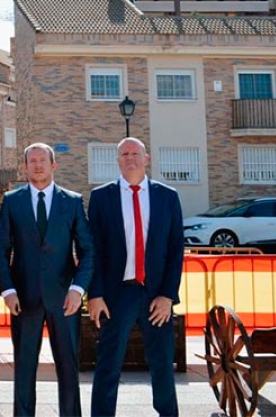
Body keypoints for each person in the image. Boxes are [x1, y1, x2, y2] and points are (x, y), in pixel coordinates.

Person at [0, 142, 93, 417]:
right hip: (23, 299)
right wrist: (8, 290)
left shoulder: (72, 201)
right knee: (24, 368)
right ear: (25, 167)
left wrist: (78, 289)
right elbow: (1, 249)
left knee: (68, 368)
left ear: (53, 165)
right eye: (32, 161)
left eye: (42, 160)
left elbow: (87, 249)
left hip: (65, 301)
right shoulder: (12, 201)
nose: (37, 165)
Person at [88, 137, 184, 417]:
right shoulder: (101, 197)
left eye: (135, 153)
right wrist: (94, 295)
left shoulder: (167, 196)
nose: (130, 158)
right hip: (118, 294)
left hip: (157, 294)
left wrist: (168, 294)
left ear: (147, 158)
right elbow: (93, 249)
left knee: (163, 362)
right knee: (108, 362)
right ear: (117, 160)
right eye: (124, 154)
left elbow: (176, 248)